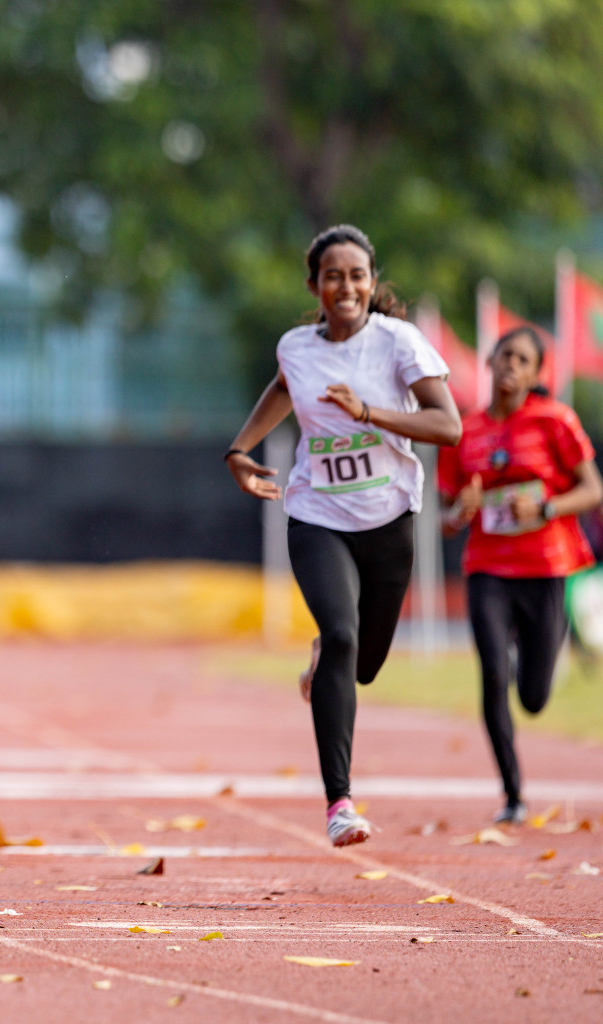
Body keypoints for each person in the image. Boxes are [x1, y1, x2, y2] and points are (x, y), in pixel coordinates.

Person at [223, 224, 461, 846]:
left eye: (357, 275)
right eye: (334, 275)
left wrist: (369, 412)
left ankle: (325, 659)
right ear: (315, 286)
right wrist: (239, 450)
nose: (347, 286)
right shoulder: (297, 348)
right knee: (341, 633)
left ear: (372, 283)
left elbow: (448, 425)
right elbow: (282, 388)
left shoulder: (397, 342)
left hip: (388, 518)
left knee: (366, 665)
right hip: (317, 514)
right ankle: (339, 803)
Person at [440, 326, 601, 825]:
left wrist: (546, 505)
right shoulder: (463, 431)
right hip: (488, 567)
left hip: (546, 567)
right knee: (491, 673)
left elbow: (593, 490)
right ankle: (513, 794)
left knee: (532, 698)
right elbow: (448, 515)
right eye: (505, 355)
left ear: (536, 374)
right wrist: (458, 512)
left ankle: (529, 665)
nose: (511, 365)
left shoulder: (555, 421)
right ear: (488, 361)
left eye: (523, 359)